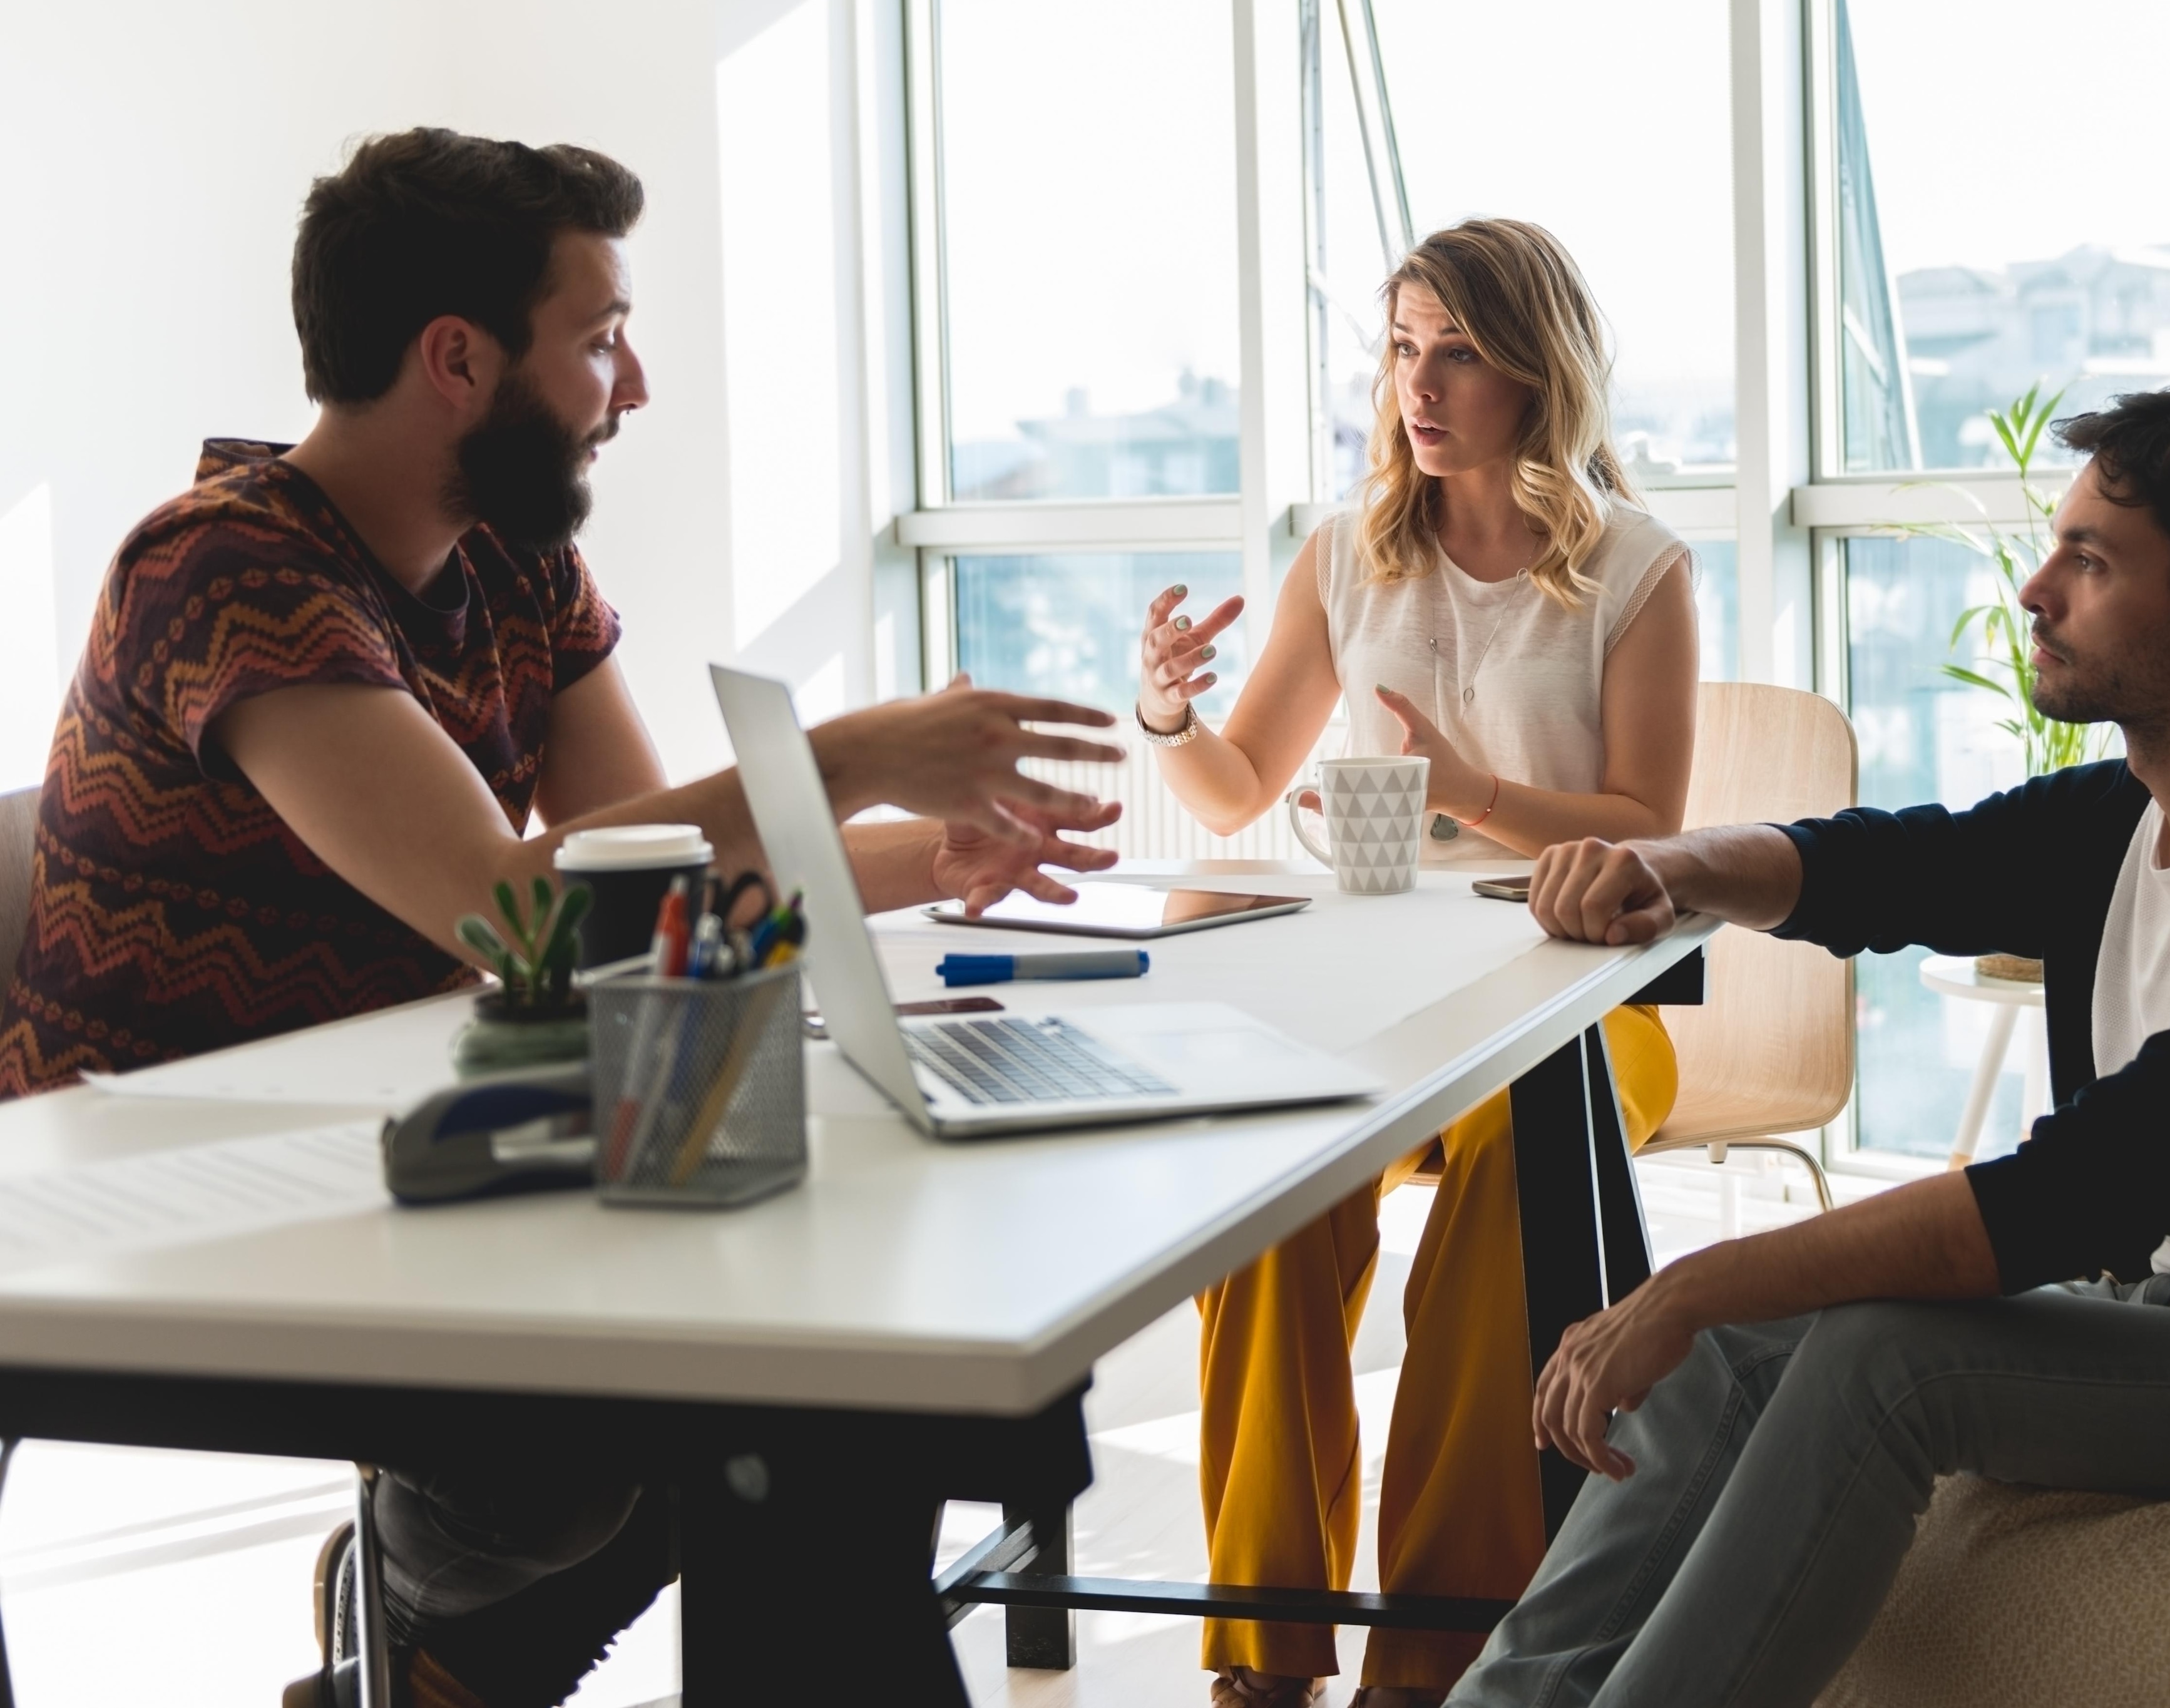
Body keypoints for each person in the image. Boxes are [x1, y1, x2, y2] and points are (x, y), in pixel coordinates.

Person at [0, 129, 1129, 1708]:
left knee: (858, 1371)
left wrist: (921, 861)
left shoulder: (516, 563)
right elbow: (518, 910)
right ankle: (424, 1600)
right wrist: (848, 755)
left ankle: (432, 1657)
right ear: (456, 360)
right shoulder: (228, 573)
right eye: (601, 338)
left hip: (421, 1128)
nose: (638, 383)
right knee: (719, 1400)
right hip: (175, 1180)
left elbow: (640, 896)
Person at [1447, 382, 2170, 1708]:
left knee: (1879, 1358)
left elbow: (2043, 1207)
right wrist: (1669, 863)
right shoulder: (2130, 814)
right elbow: (1895, 864)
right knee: (1734, 1347)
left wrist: (1691, 1280)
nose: (2036, 590)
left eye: (2089, 561)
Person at [1132, 219, 1700, 1708]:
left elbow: (1654, 824)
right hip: (1371, 990)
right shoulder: (1347, 554)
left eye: (1455, 349)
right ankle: (1266, 1649)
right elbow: (1241, 786)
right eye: (1400, 345)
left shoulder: (1636, 569)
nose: (1418, 383)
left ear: (1536, 369)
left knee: (1508, 1202)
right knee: (1265, 1208)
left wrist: (1471, 792)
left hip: (1576, 996)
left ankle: (1431, 1658)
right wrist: (1168, 715)